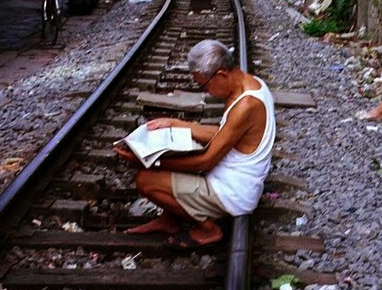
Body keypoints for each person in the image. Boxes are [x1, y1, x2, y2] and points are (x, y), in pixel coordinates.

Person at [113, 40, 276, 250]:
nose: (206, 91)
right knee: (174, 153)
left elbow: (205, 162)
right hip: (231, 177)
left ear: (220, 75)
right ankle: (170, 219)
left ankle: (208, 229)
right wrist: (175, 123)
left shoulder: (246, 105)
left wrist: (149, 162)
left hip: (233, 193)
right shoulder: (251, 84)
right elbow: (225, 134)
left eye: (204, 85)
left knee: (146, 179)